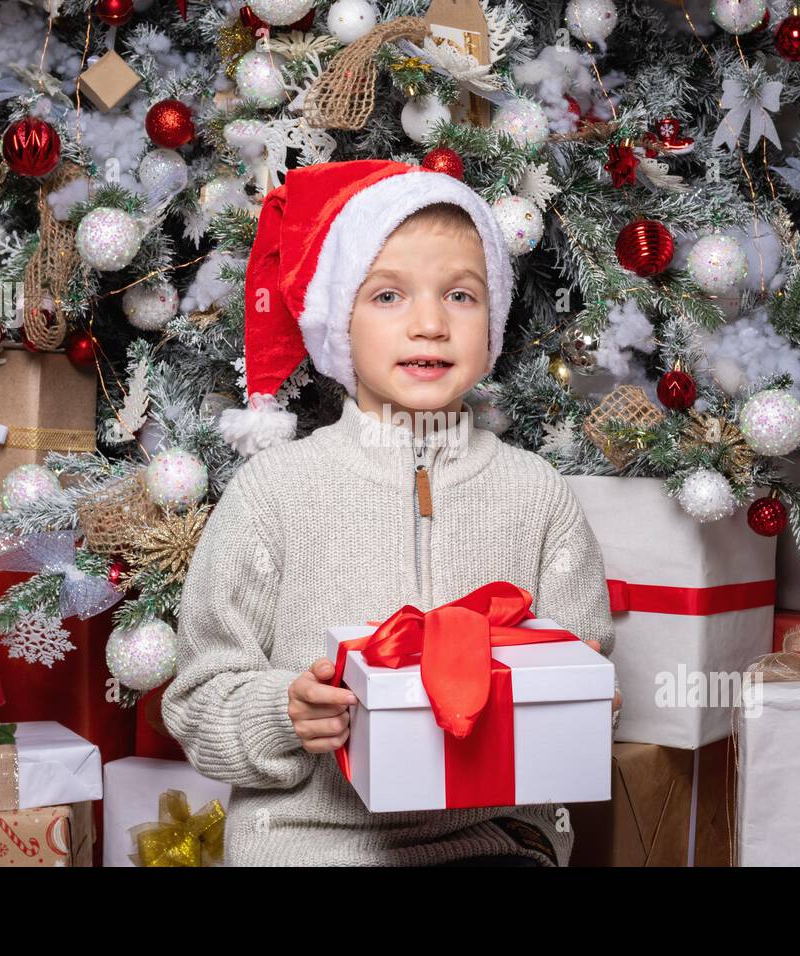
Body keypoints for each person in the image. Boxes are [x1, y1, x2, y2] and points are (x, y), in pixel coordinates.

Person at [162, 159, 617, 866]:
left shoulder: (539, 497)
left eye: (461, 296)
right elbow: (198, 703)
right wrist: (286, 710)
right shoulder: (275, 493)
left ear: (492, 319)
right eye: (388, 296)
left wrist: (581, 700)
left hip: (491, 843)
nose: (430, 324)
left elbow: (581, 673)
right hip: (309, 843)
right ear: (338, 319)